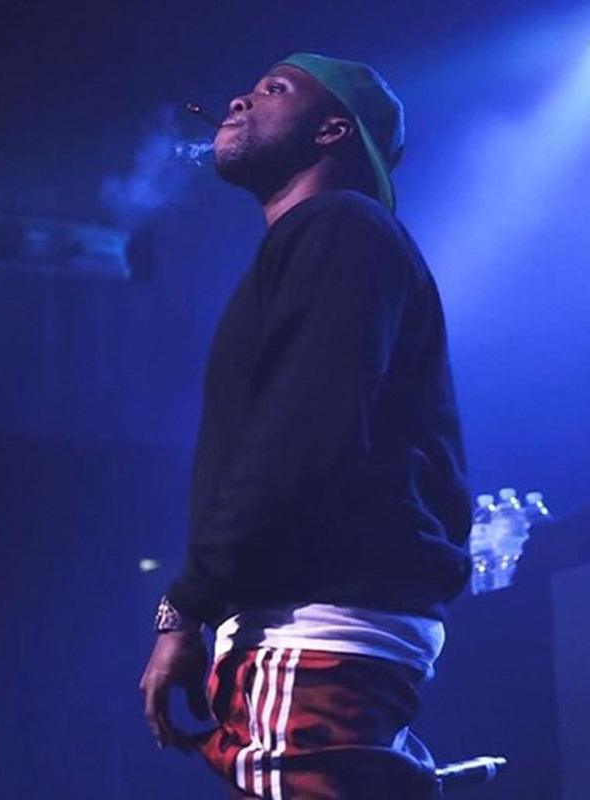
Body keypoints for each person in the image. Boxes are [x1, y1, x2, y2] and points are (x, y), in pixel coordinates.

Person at [140, 52, 472, 799]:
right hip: (307, 626)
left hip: (316, 625)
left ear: (332, 130)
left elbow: (302, 437)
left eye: (273, 89)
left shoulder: (343, 226)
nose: (239, 99)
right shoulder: (328, 239)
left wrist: (185, 606)